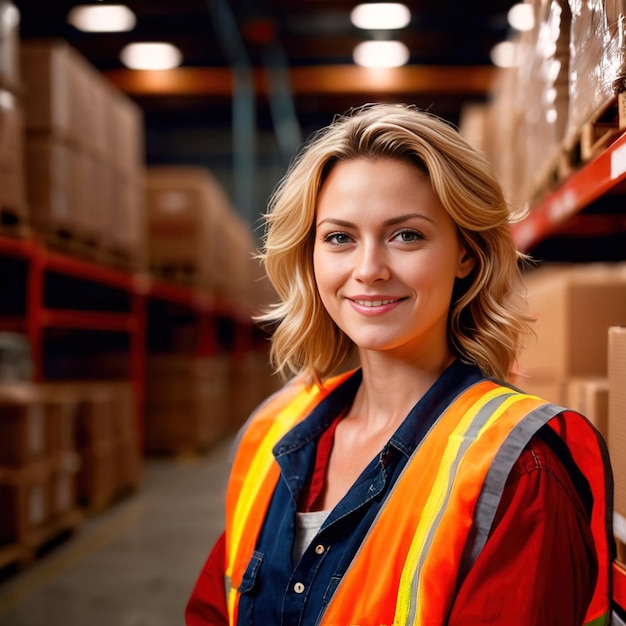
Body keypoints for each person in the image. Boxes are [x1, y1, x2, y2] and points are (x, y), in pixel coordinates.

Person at [186, 103, 614, 625]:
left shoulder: (519, 472)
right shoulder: (272, 432)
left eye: (406, 235)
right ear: (310, 255)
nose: (368, 270)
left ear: (466, 254)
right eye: (340, 237)